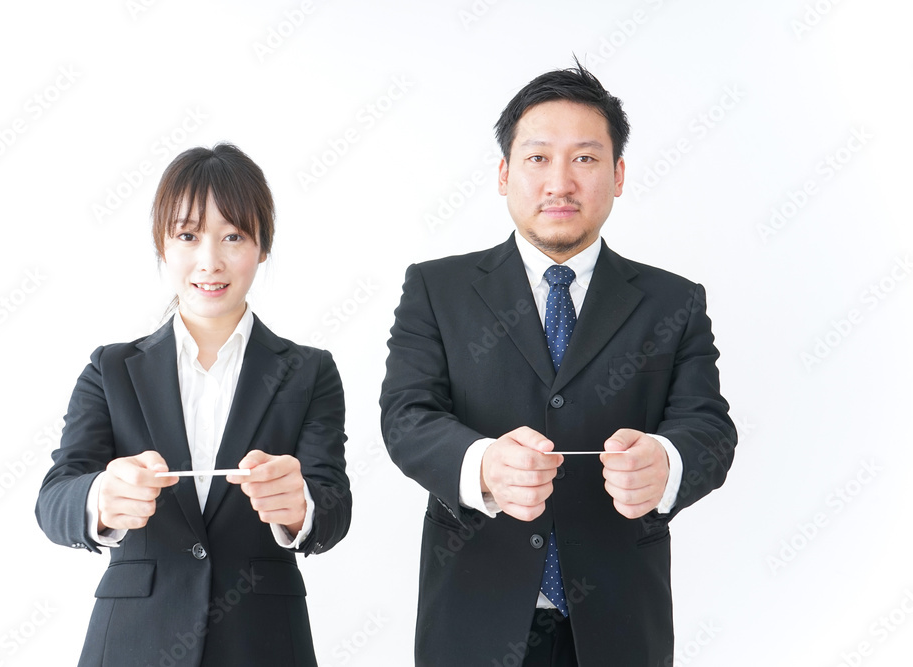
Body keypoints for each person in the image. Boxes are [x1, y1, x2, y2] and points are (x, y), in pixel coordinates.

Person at [380, 60, 736, 666]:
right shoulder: (437, 289)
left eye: (585, 158)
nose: (560, 182)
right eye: (538, 157)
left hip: (619, 624)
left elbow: (708, 427)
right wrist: (483, 464)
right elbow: (407, 416)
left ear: (618, 175)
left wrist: (668, 462)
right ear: (504, 173)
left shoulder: (673, 301)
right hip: (473, 617)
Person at [36, 143, 350, 666]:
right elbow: (53, 501)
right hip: (134, 642)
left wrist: (301, 508)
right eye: (188, 235)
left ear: (263, 247)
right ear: (162, 243)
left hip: (263, 642)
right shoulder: (111, 369)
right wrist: (100, 498)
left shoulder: (309, 371)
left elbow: (334, 505)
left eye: (233, 236)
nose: (210, 261)